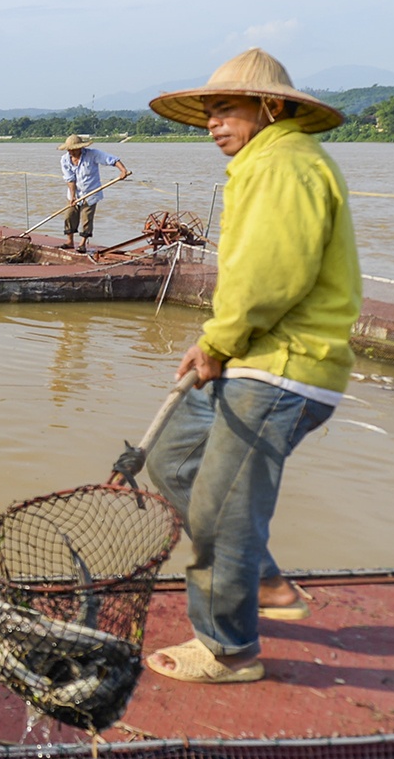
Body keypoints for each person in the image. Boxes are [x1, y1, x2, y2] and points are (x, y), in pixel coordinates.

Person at [139, 49, 359, 684]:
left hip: (283, 366)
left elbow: (270, 277)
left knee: (223, 509)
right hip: (247, 358)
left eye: (226, 109)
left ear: (270, 106)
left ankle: (228, 650)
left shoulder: (284, 164)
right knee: (171, 458)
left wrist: (217, 342)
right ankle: (259, 577)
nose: (213, 123)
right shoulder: (264, 162)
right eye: (209, 112)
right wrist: (219, 345)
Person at [59, 135, 130, 252]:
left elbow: (112, 159)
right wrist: (73, 196)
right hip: (74, 193)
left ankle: (82, 244)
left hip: (91, 192)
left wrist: (123, 170)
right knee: (69, 215)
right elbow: (70, 179)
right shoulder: (65, 159)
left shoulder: (93, 154)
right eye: (69, 150)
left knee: (86, 218)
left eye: (73, 150)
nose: (71, 152)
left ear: (80, 148)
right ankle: (69, 241)